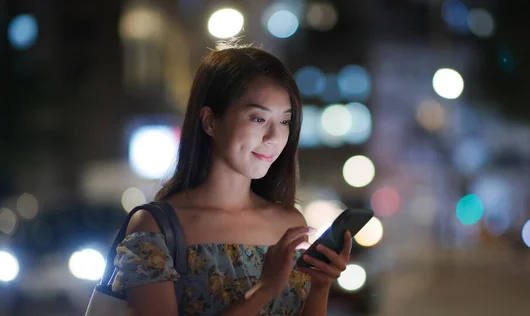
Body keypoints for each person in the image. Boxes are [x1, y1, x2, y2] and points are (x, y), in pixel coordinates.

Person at [108, 42, 352, 316]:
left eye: (285, 121)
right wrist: (264, 289)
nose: (273, 138)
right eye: (258, 119)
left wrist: (321, 285)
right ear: (210, 121)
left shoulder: (289, 223)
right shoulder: (157, 227)